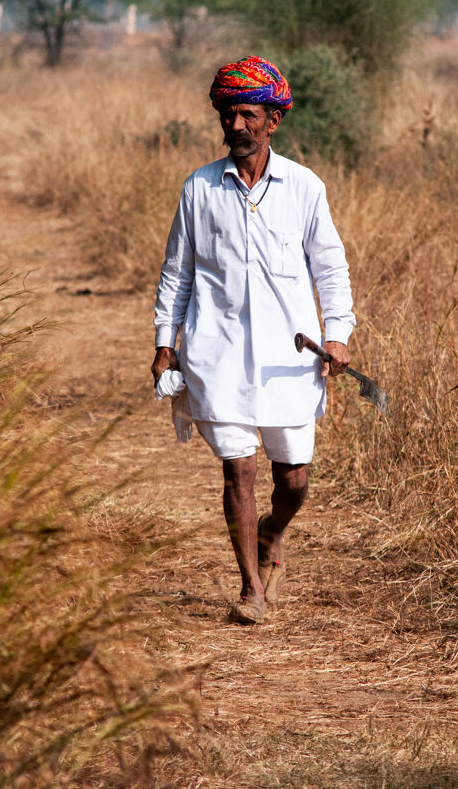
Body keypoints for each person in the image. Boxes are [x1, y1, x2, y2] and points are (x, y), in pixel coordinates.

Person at [152, 55, 355, 624]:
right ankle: (251, 590)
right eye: (228, 114)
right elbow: (178, 272)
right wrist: (165, 344)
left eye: (247, 115)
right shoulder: (199, 188)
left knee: (293, 480)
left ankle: (272, 530)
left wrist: (336, 334)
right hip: (216, 354)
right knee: (236, 469)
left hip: (289, 360)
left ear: (273, 123)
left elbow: (331, 269)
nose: (236, 126)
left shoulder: (305, 188)